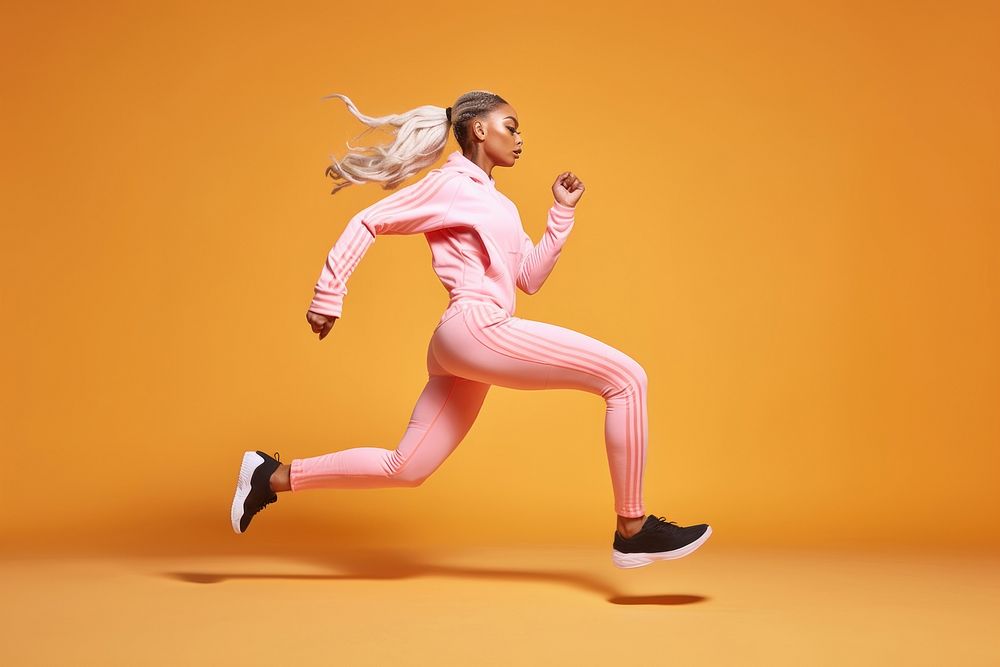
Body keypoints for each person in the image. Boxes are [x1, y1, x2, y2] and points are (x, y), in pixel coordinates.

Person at [230, 90, 711, 568]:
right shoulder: (452, 185)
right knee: (626, 378)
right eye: (511, 126)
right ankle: (632, 527)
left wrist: (561, 213)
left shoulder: (496, 203)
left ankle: (270, 476)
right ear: (479, 130)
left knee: (407, 467)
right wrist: (328, 293)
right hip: (476, 325)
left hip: (464, 342)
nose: (520, 139)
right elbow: (369, 220)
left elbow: (529, 278)